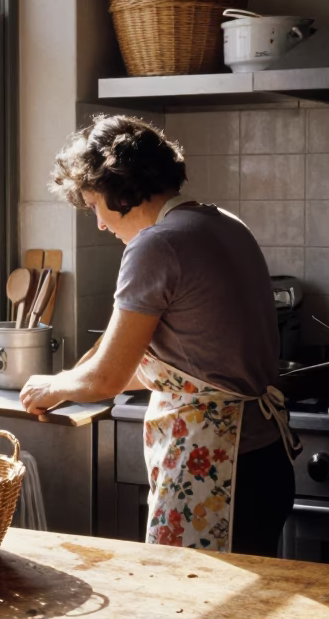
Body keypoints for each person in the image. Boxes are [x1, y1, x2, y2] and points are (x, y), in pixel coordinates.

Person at [19, 114, 300, 557]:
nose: (99, 223)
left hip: (217, 470)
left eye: (95, 206)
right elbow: (185, 367)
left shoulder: (156, 246)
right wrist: (73, 381)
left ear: (117, 190)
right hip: (265, 461)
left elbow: (107, 379)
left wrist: (53, 385)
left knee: (192, 612)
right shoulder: (223, 223)